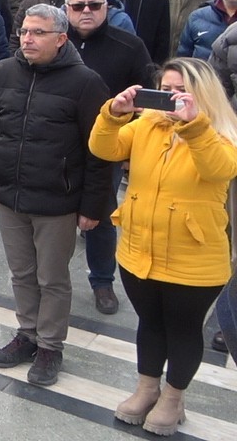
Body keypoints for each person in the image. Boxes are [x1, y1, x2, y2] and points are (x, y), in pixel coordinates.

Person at [90, 59, 237, 435]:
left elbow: (218, 169)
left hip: (194, 257)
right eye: (165, 90)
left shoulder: (221, 133)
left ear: (201, 94)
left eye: (179, 91)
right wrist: (113, 113)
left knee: (184, 329)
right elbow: (103, 149)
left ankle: (173, 397)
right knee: (150, 324)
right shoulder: (147, 125)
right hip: (139, 248)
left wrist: (193, 125)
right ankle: (146, 387)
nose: (170, 98)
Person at [0, 4, 111, 387]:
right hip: (10, 196)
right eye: (25, 31)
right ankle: (27, 335)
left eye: (38, 33)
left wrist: (92, 206)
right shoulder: (3, 72)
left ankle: (50, 346)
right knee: (22, 273)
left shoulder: (85, 82)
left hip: (58, 201)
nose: (28, 39)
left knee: (52, 277)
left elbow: (100, 151)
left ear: (61, 38)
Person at [64, 0, 156, 315]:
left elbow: (147, 101)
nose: (86, 11)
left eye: (94, 5)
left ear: (107, 8)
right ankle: (49, 279)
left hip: (107, 148)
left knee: (101, 214)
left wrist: (132, 148)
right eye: (78, 6)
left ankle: (102, 280)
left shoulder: (129, 46)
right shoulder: (55, 42)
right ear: (66, 10)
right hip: (59, 144)